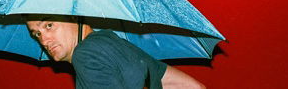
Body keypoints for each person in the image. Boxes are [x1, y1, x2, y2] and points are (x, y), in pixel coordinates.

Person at [26, 16, 206, 89]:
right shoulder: (112, 41)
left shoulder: (85, 54)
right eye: (37, 34)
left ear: (74, 17)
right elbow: (194, 87)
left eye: (49, 25)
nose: (44, 40)